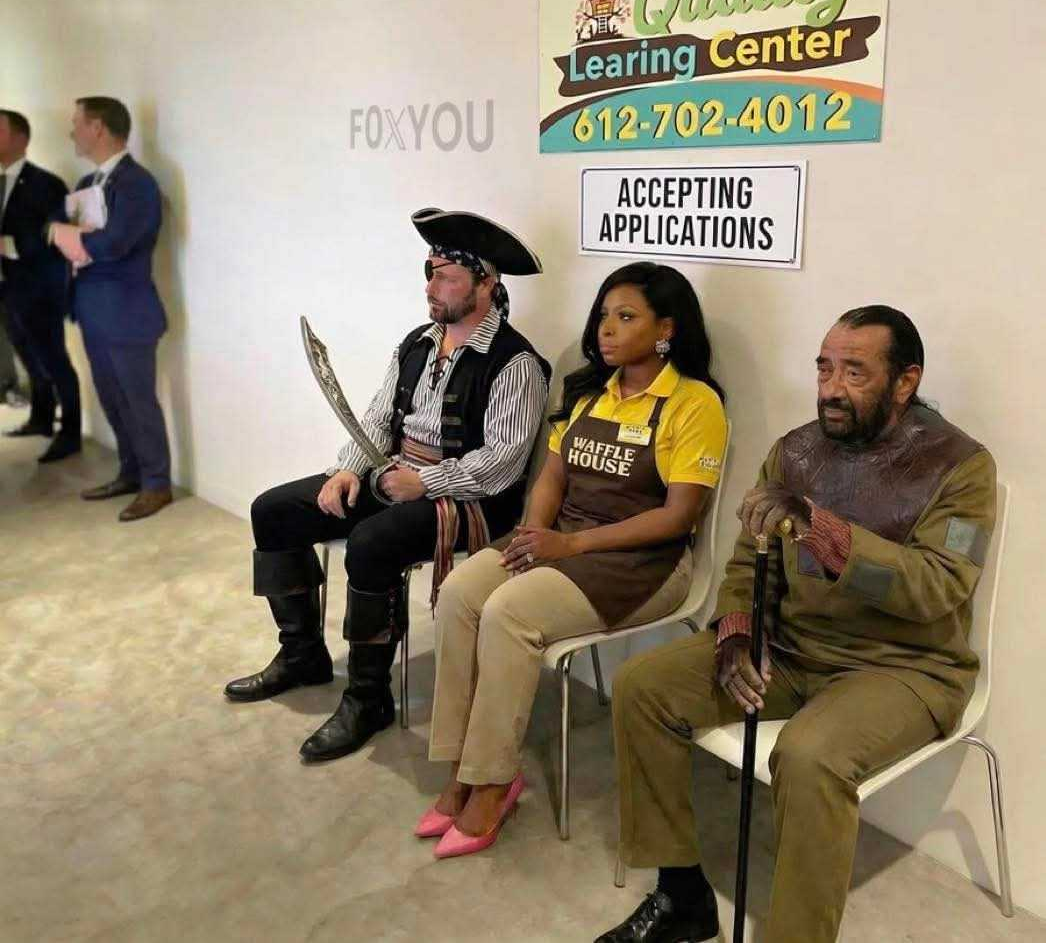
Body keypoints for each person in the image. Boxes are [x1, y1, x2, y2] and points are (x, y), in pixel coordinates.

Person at [595, 305, 996, 943]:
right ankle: (682, 897)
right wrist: (736, 629)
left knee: (809, 757)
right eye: (823, 368)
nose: (831, 389)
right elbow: (746, 560)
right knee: (643, 687)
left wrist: (821, 529)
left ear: (905, 382)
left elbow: (939, 586)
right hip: (790, 647)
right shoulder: (795, 452)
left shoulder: (962, 467)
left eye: (854, 373)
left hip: (903, 668)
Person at [417, 262, 728, 859]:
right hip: (562, 537)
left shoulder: (695, 403)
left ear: (666, 329)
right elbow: (552, 478)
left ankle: (493, 783)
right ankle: (462, 769)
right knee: (458, 592)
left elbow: (678, 517)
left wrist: (570, 546)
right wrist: (535, 532)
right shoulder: (590, 392)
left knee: (508, 612)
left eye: (626, 317)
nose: (606, 329)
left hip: (644, 561)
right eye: (604, 315)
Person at [224, 207, 551, 763]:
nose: (431, 287)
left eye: (447, 277)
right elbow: (378, 418)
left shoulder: (515, 363)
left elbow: (501, 464)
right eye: (429, 273)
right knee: (274, 511)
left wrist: (423, 482)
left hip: (470, 499)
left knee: (373, 543)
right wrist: (350, 469)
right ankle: (302, 654)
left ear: (486, 284)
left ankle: (368, 697)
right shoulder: (418, 342)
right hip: (393, 472)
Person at [49, 97, 173, 520]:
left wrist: (72, 237)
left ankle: (156, 483)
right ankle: (131, 472)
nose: (72, 131)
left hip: (127, 311)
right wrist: (72, 236)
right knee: (112, 398)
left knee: (138, 401)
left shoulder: (137, 183)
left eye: (77, 122)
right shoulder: (88, 180)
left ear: (98, 127)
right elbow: (73, 236)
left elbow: (115, 243)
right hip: (92, 308)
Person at [0, 109, 80, 460]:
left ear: (21, 137)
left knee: (55, 360)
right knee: (27, 356)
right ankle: (41, 417)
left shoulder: (46, 184)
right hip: (7, 289)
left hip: (39, 290)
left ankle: (71, 432)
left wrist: (8, 245)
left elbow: (54, 235)